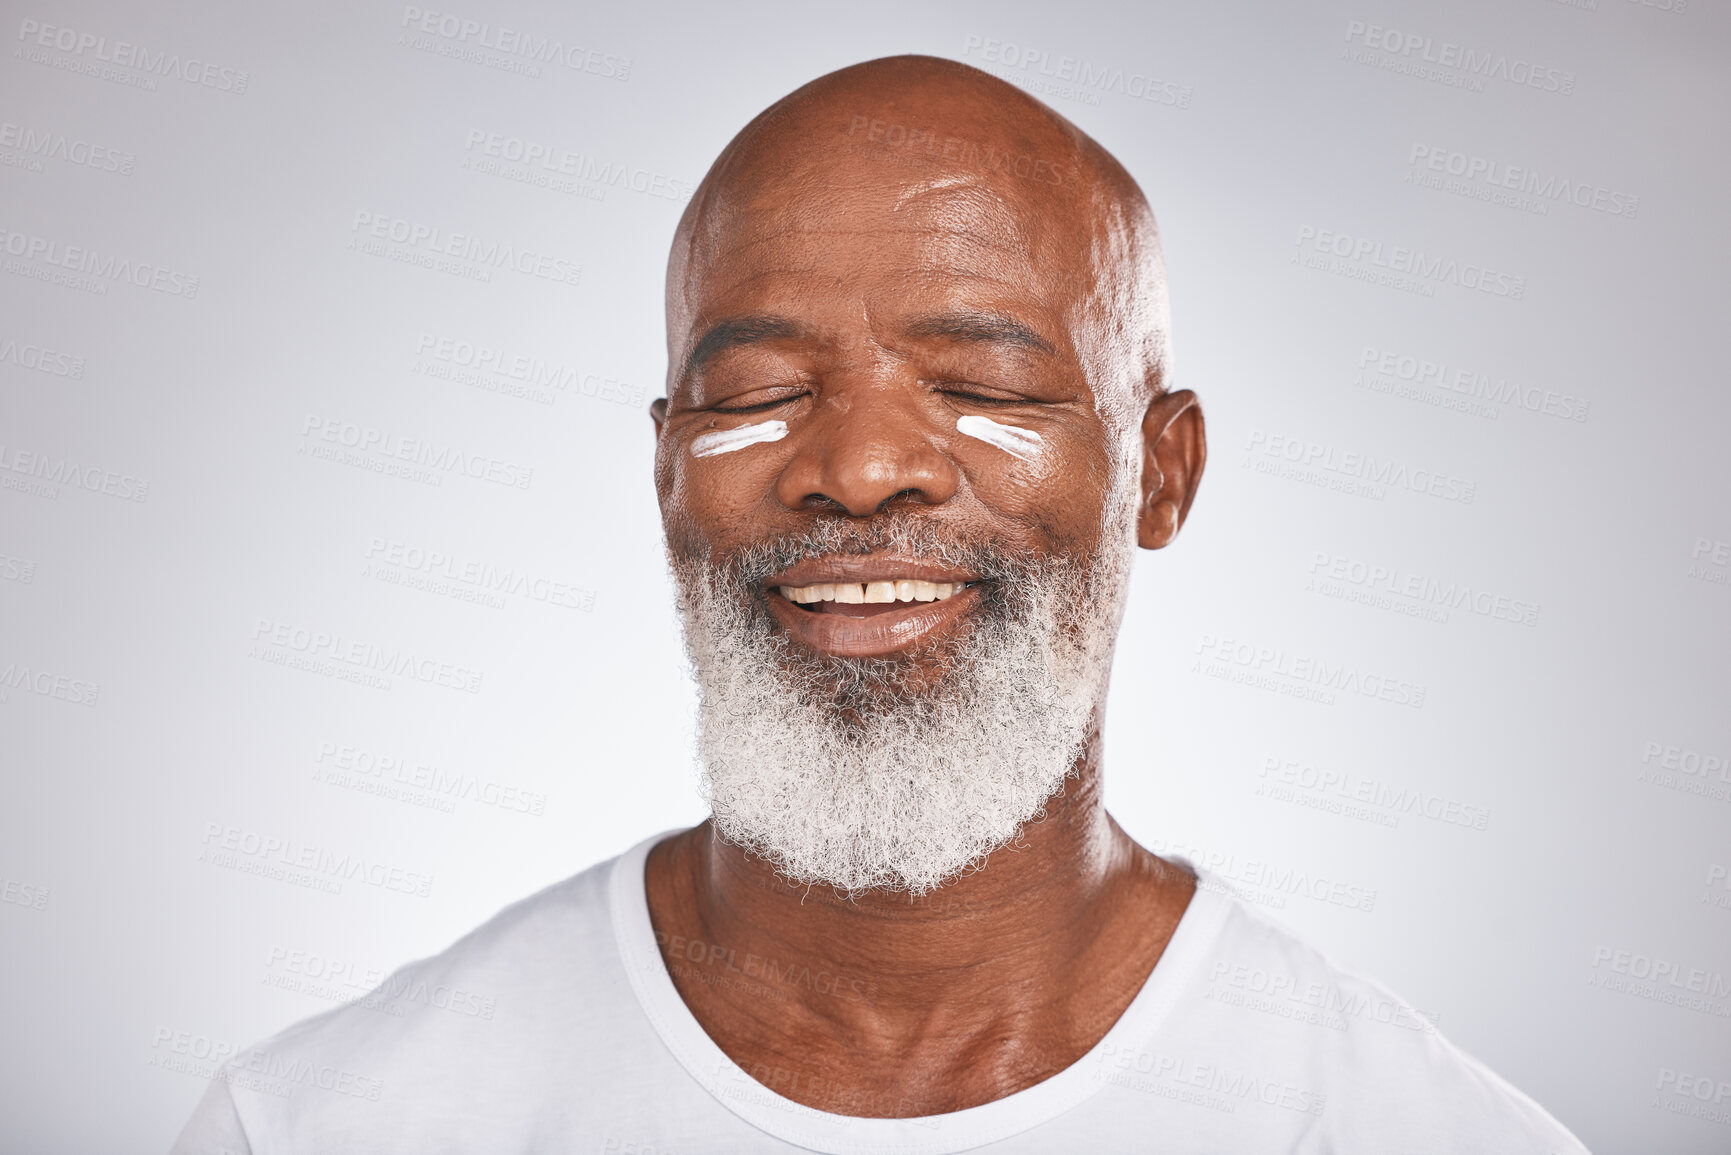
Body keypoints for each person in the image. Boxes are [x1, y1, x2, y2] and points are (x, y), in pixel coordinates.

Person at [172, 55, 1588, 1153]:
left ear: (1161, 471)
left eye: (978, 385)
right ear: (668, 477)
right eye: (760, 395)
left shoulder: (1408, 1129)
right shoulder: (327, 1126)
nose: (857, 471)